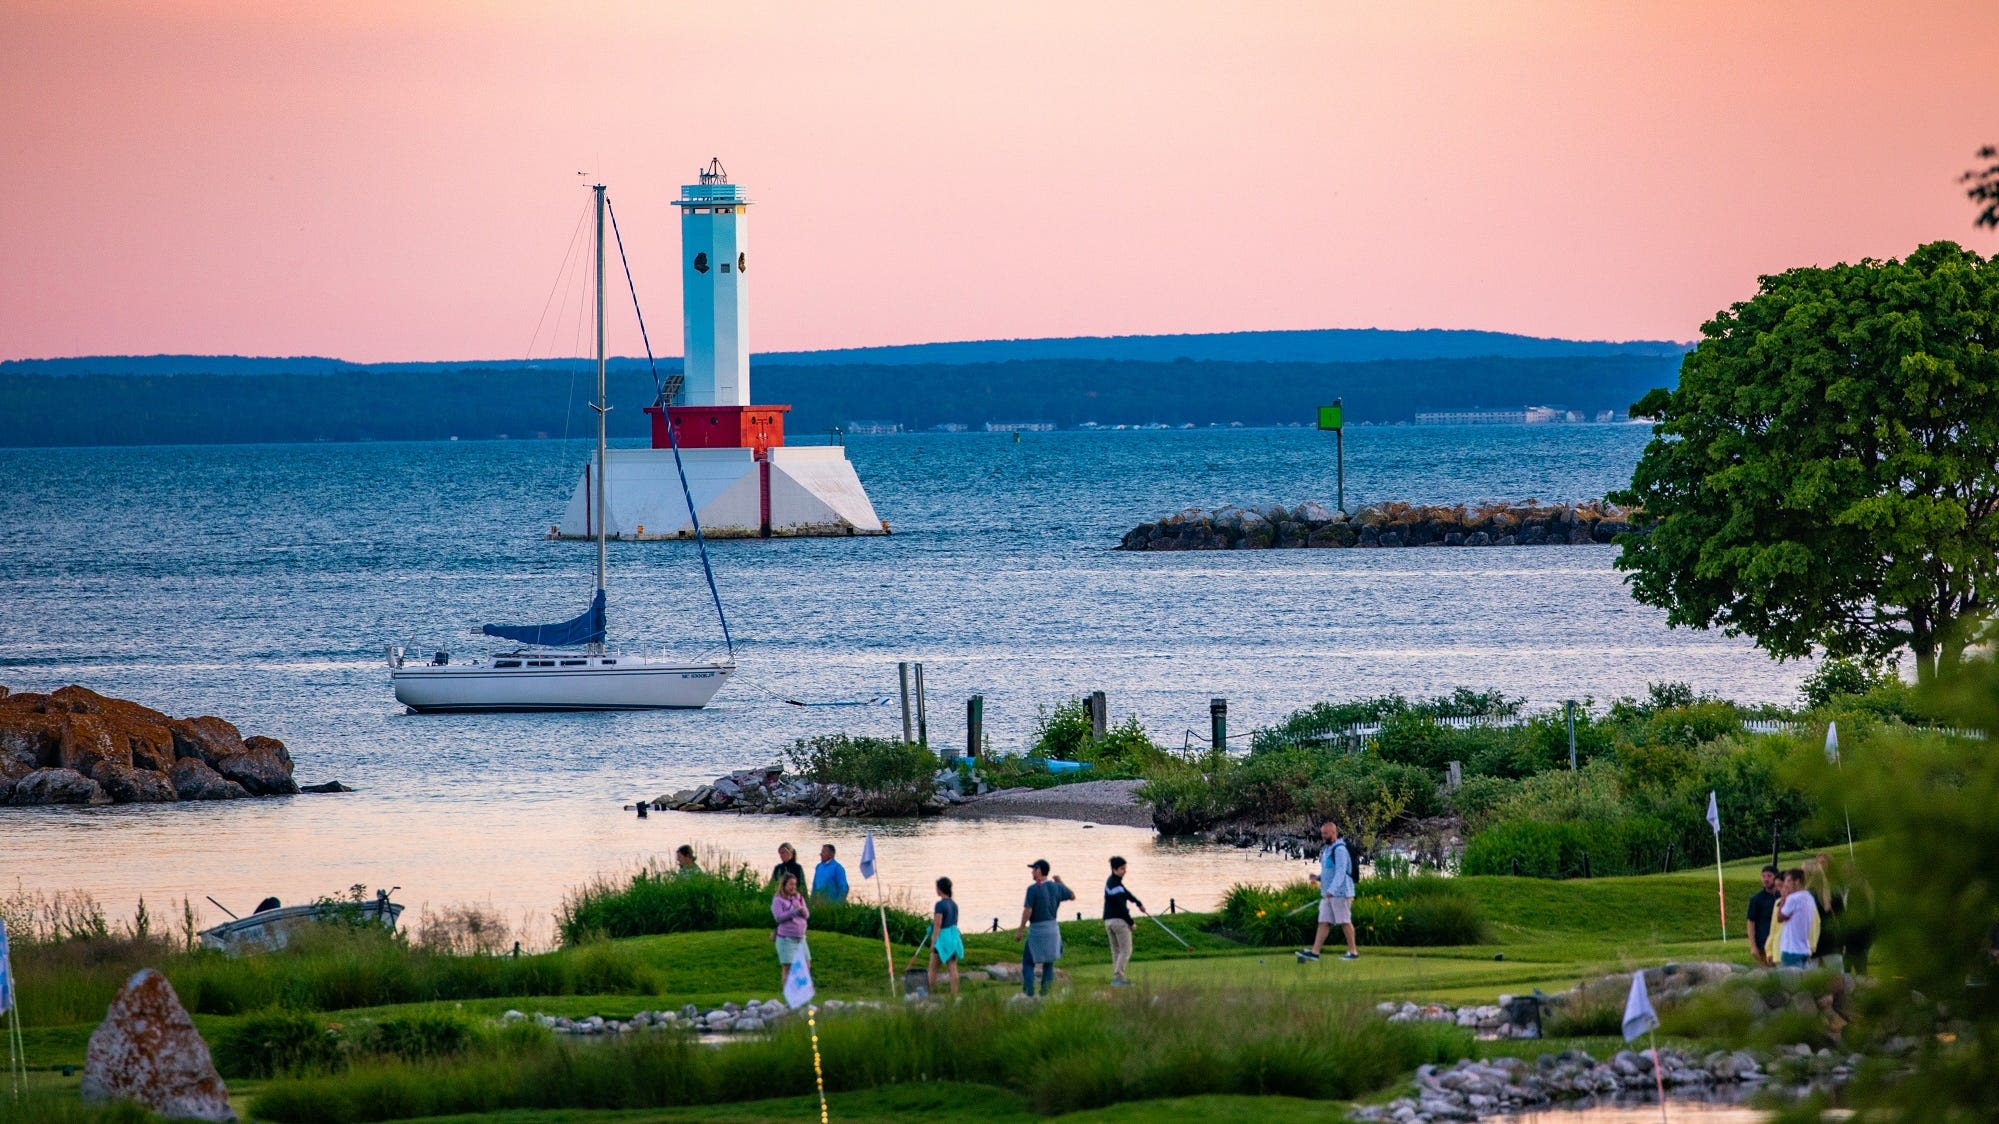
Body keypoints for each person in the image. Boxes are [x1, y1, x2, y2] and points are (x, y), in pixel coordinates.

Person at [1298, 820, 1359, 962]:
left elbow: (1341, 872)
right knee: (1324, 922)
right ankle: (1315, 953)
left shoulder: (1340, 850)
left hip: (1341, 893)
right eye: (1322, 834)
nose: (1323, 836)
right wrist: (1318, 878)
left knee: (1344, 921)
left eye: (1325, 833)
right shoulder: (1327, 850)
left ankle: (1353, 952)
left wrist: (1332, 890)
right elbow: (1329, 871)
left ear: (1333, 833)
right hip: (1328, 894)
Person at [1012, 858, 1074, 997]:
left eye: (1033, 869)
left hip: (1037, 930)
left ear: (1039, 870)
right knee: (1048, 963)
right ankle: (1045, 994)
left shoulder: (1033, 889)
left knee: (1028, 962)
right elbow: (1072, 896)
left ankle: (1029, 993)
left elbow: (1028, 910)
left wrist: (1020, 930)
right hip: (1052, 929)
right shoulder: (1056, 887)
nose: (1032, 872)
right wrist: (1060, 882)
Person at [1103, 855, 1148, 986]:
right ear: (1115, 869)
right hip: (1119, 921)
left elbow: (1126, 893)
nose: (1125, 871)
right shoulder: (1116, 885)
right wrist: (1131, 922)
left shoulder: (1111, 882)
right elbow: (1121, 908)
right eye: (1122, 868)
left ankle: (1118, 978)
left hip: (1108, 921)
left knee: (1116, 950)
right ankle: (1118, 978)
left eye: (1125, 868)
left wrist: (1137, 903)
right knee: (1126, 950)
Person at [771, 871, 811, 988]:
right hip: (786, 938)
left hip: (801, 938)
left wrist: (801, 909)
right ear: (784, 885)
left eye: (795, 884)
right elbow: (778, 917)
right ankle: (788, 995)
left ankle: (800, 992)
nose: (793, 887)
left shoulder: (799, 897)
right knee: (787, 968)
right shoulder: (778, 900)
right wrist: (793, 912)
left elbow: (807, 914)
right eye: (791, 884)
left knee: (807, 965)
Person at [928, 876, 965, 997]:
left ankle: (930, 993)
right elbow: (954, 922)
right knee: (952, 967)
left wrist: (933, 942)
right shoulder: (954, 904)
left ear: (940, 889)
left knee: (933, 967)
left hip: (943, 939)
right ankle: (954, 994)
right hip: (953, 938)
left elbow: (938, 924)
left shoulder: (939, 905)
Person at [1775, 867, 1819, 968]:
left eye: (1789, 881)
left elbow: (1780, 917)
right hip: (1804, 948)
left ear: (1797, 881)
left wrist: (1784, 898)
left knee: (1790, 981)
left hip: (1791, 949)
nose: (1785, 884)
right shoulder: (1809, 897)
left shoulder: (1793, 898)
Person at [1746, 865, 1780, 968]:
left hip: (1780, 943)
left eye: (1769, 876)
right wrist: (1753, 946)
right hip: (1763, 944)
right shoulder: (1756, 899)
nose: (1766, 879)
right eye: (1763, 876)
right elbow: (1750, 922)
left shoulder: (1782, 896)